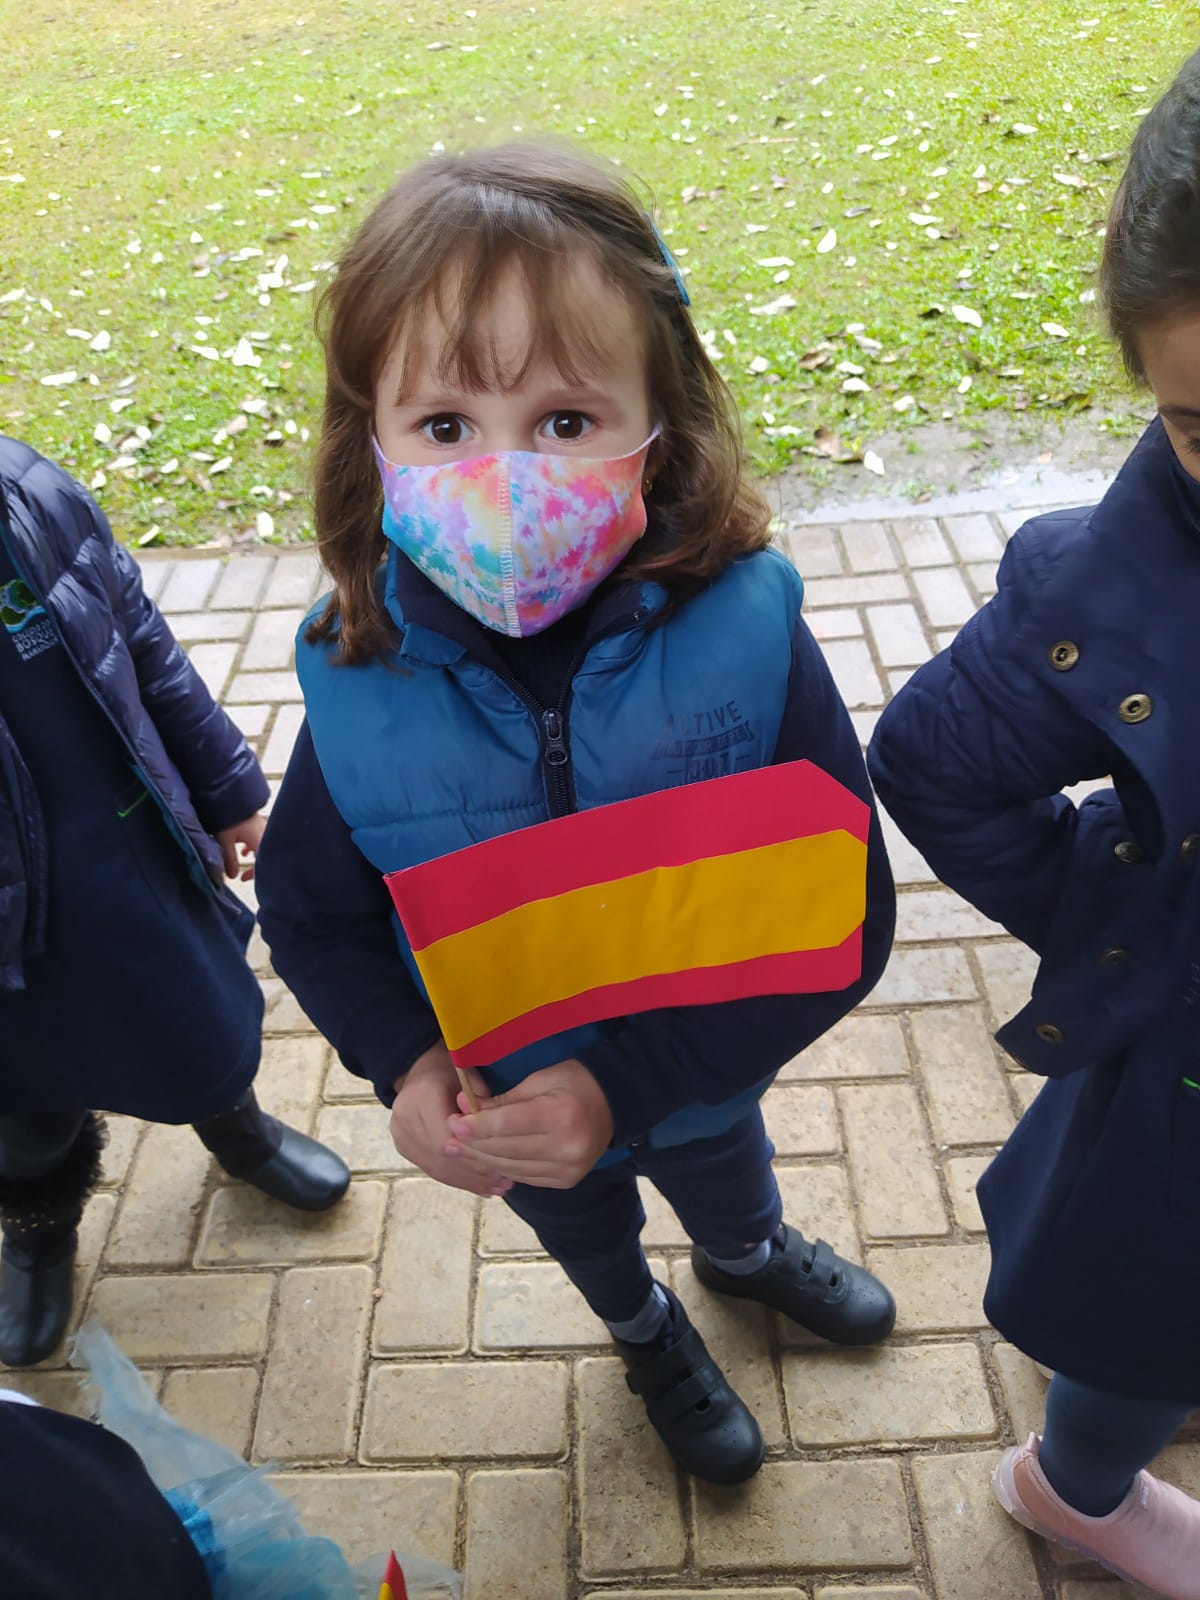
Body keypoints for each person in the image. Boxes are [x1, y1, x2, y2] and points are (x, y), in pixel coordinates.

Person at [256, 142, 896, 1487]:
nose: (507, 476)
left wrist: (633, 1085)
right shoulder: (359, 675)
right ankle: (644, 1328)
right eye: (445, 426)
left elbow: (843, 912)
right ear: (369, 439)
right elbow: (311, 913)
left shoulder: (751, 635)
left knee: (728, 1178)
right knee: (587, 1232)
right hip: (514, 1111)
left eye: (563, 421)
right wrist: (406, 1067)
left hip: (704, 1080)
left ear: (661, 416)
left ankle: (742, 1257)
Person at [866, 48, 1200, 1600]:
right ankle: (1080, 1489)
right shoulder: (1101, 589)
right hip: (1182, 1107)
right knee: (1145, 1328)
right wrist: (1128, 921)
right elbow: (934, 765)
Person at [0, 437, 351, 1370]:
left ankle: (237, 1129)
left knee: (190, 1018)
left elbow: (140, 643)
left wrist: (229, 785)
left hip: (118, 859)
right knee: (25, 1106)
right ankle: (36, 1226)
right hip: (7, 946)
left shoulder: (32, 494)